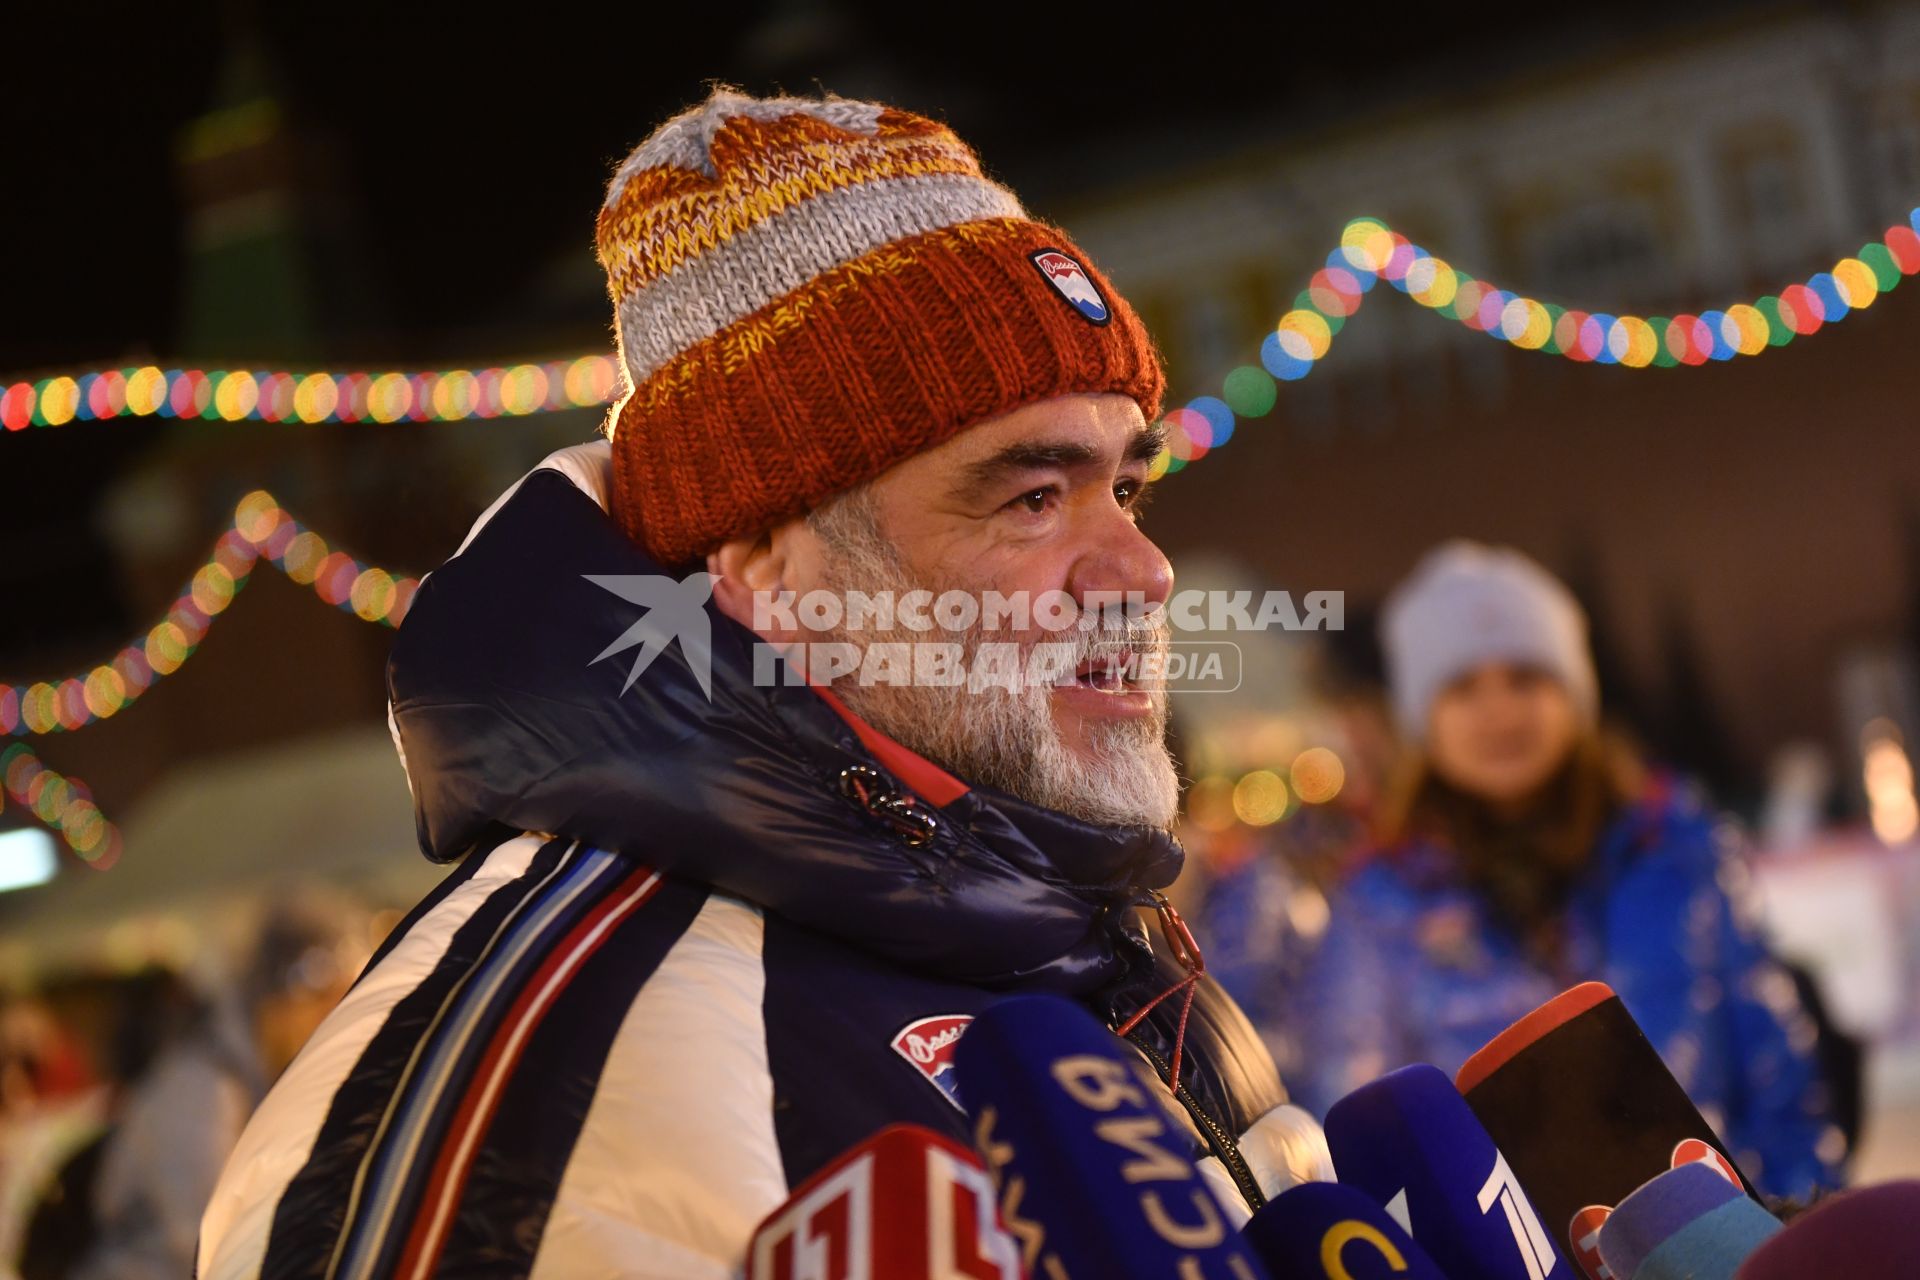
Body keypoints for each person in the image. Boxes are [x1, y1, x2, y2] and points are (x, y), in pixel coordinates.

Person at [196, 89, 1287, 1279]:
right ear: (766, 560)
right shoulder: (546, 1078)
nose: (1144, 568)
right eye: (1033, 496)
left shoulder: (1089, 932)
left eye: (1124, 487)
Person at [1286, 540, 1846, 1199]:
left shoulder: (1679, 853)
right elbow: (1355, 1124)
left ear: (1573, 692)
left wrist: (1789, 1222)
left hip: (1713, 1233)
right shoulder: (1377, 903)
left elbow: (1779, 1076)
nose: (1500, 712)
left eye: (1526, 677)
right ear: (1423, 719)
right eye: (1463, 687)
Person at [68, 907, 358, 1280]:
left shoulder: (269, 1082)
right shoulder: (201, 1092)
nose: (330, 1018)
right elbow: (213, 1245)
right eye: (318, 1000)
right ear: (273, 1000)